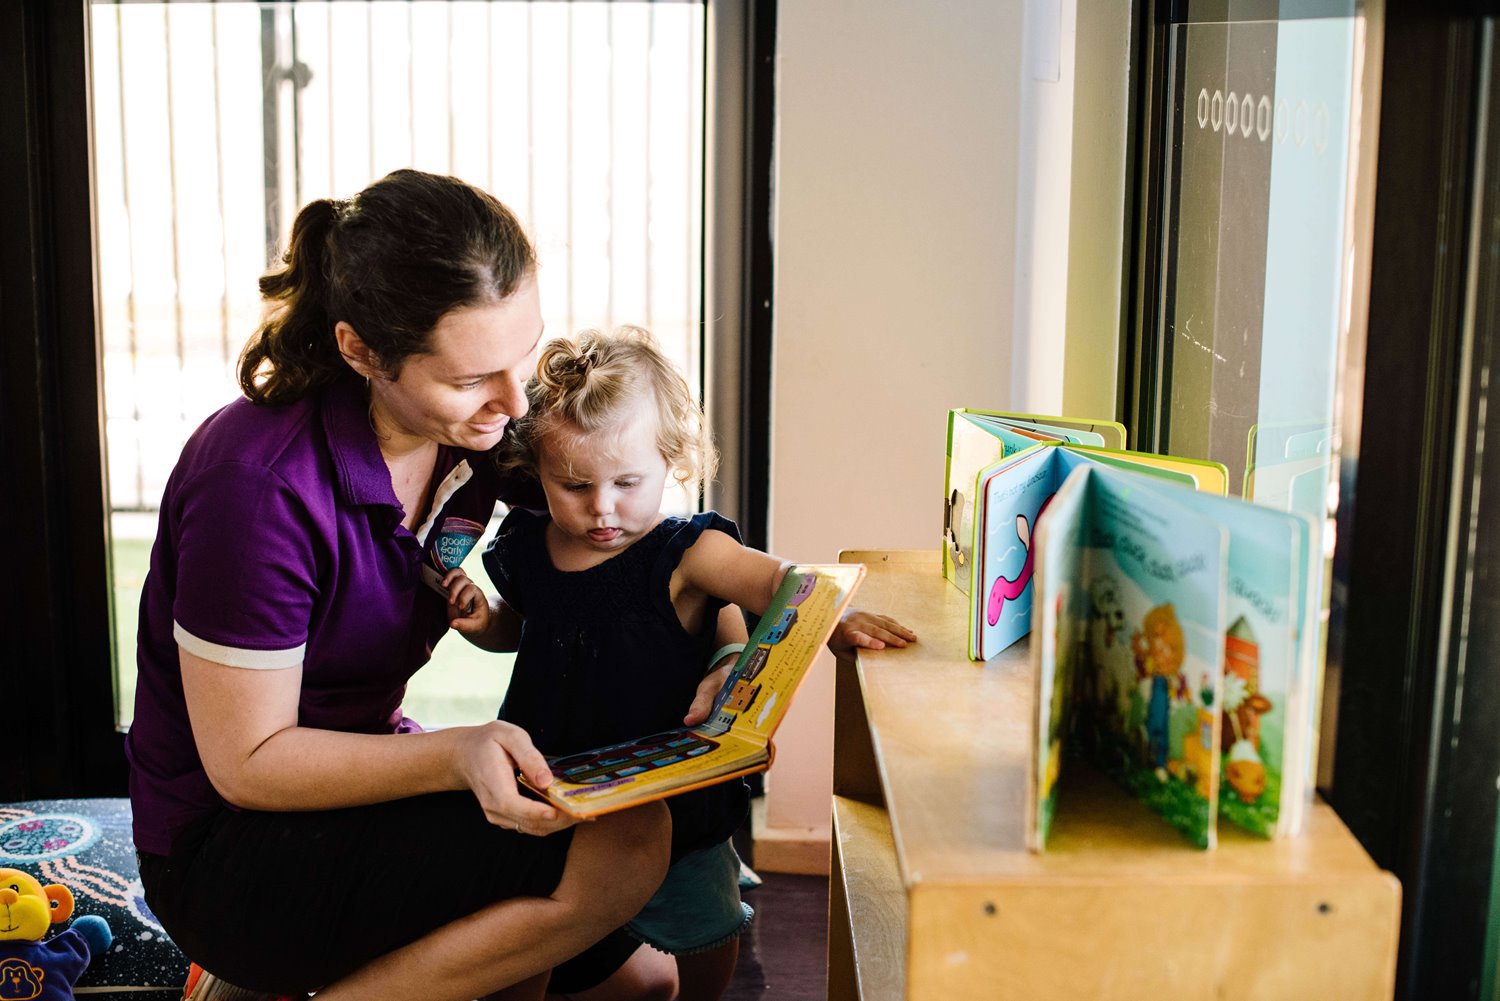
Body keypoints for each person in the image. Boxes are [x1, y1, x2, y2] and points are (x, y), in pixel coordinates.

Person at [126, 170, 730, 1001]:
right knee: (624, 846)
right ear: (361, 351)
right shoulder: (257, 487)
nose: (513, 400)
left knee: (647, 985)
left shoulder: (478, 433)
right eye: (470, 376)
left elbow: (648, 540)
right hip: (229, 845)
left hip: (367, 770)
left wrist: (728, 644)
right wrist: (454, 751)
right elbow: (248, 766)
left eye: (522, 355)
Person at [443, 326, 917, 1001]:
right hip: (554, 781)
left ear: (671, 462)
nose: (602, 507)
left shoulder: (687, 551)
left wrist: (833, 619)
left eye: (627, 482)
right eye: (574, 484)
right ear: (537, 469)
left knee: (705, 925)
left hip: (672, 796)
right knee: (533, 922)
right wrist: (485, 621)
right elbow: (524, 630)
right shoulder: (527, 546)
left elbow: (779, 580)